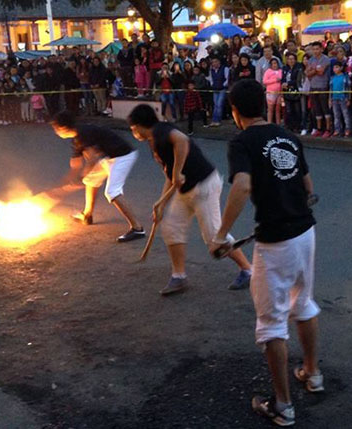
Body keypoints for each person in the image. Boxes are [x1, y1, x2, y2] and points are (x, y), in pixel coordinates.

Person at [212, 79, 322, 427]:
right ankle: (312, 373)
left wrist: (220, 234)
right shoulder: (288, 135)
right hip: (305, 231)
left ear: (235, 111)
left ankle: (283, 406)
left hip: (276, 243)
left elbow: (243, 185)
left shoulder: (242, 141)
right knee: (303, 303)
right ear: (263, 103)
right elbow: (307, 186)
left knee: (272, 324)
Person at [128, 104, 252, 294]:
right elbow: (170, 174)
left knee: (214, 237)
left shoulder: (162, 131)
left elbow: (182, 141)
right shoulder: (154, 139)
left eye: (132, 128)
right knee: (171, 227)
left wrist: (177, 172)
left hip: (204, 185)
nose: (132, 131)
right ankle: (179, 277)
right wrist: (162, 202)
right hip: (185, 190)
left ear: (138, 125)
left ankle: (248, 270)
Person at [51, 111, 145, 243]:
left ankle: (137, 228)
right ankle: (87, 216)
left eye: (56, 128)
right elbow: (76, 164)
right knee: (90, 180)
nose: (56, 132)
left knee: (112, 192)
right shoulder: (77, 137)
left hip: (122, 156)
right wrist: (70, 180)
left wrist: (82, 175)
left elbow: (93, 158)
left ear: (63, 128)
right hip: (109, 157)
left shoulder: (83, 133)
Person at [307, 41, 332, 138]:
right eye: (314, 49)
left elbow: (321, 72)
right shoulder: (311, 59)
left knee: (325, 108)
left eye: (317, 49)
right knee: (316, 108)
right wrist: (315, 70)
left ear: (321, 49)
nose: (315, 51)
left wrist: (313, 70)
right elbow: (307, 73)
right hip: (313, 86)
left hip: (323, 86)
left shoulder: (325, 59)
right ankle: (319, 128)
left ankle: (328, 129)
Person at [329, 62, 351, 136]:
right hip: (335, 98)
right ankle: (337, 129)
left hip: (343, 98)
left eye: (337, 67)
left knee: (345, 115)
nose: (335, 69)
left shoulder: (345, 77)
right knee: (336, 115)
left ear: (341, 68)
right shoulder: (332, 78)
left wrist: (348, 99)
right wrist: (330, 99)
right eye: (334, 67)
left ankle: (347, 129)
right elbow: (330, 89)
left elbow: (348, 88)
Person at [282, 53, 303, 133]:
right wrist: (283, 83)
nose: (290, 61)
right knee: (288, 110)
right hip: (286, 91)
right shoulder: (284, 68)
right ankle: (290, 126)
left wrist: (289, 83)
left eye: (292, 59)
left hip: (295, 91)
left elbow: (298, 79)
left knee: (297, 109)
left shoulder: (298, 68)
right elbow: (283, 78)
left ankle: (297, 126)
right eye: (289, 59)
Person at [207, 56, 229, 127]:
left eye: (215, 61)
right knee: (215, 105)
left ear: (219, 62)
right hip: (215, 89)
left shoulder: (225, 69)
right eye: (213, 62)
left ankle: (218, 120)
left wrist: (223, 84)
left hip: (222, 89)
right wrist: (212, 84)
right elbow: (211, 78)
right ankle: (214, 120)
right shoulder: (211, 70)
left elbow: (227, 78)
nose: (214, 63)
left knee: (219, 104)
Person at [263, 58, 283, 125]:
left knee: (278, 109)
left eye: (275, 63)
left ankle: (278, 124)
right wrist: (275, 80)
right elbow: (265, 81)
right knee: (270, 109)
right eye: (273, 63)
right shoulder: (268, 71)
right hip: (270, 92)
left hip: (279, 93)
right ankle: (269, 124)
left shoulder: (281, 71)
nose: (274, 65)